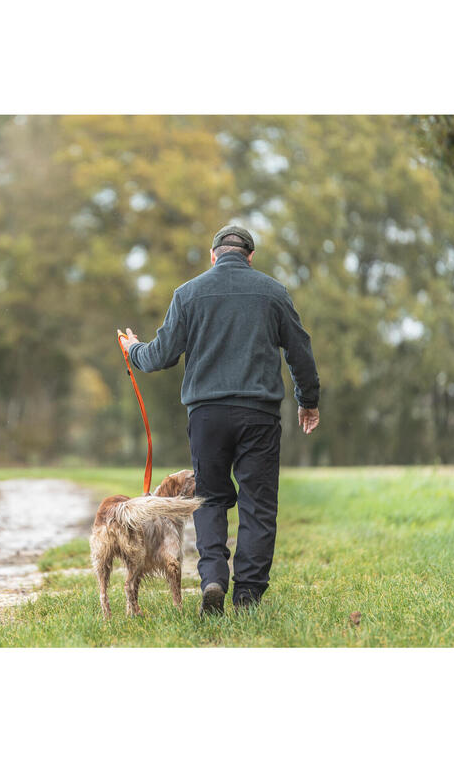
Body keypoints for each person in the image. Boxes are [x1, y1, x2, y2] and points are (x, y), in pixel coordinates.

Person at [122, 224, 320, 616]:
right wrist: (308, 401)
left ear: (213, 256)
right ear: (250, 257)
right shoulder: (273, 293)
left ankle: (213, 577)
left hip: (207, 415)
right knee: (258, 505)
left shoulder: (188, 293)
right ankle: (247, 595)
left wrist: (133, 350)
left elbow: (160, 355)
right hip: (259, 414)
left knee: (209, 498)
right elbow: (300, 350)